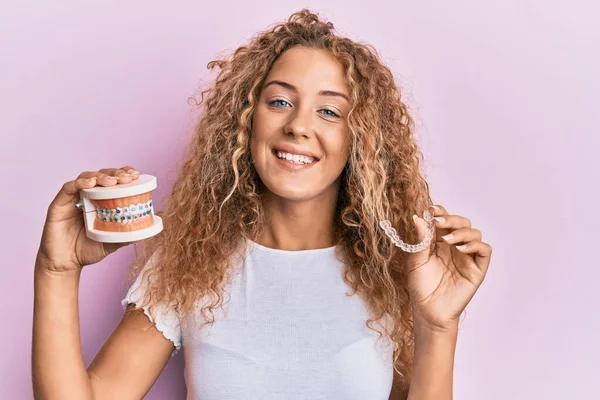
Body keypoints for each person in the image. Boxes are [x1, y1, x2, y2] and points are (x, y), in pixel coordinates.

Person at [31, 9, 493, 400]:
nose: (298, 126)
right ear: (247, 120)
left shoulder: (396, 273)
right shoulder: (189, 264)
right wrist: (57, 271)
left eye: (329, 111)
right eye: (279, 101)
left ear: (361, 141)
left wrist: (438, 327)